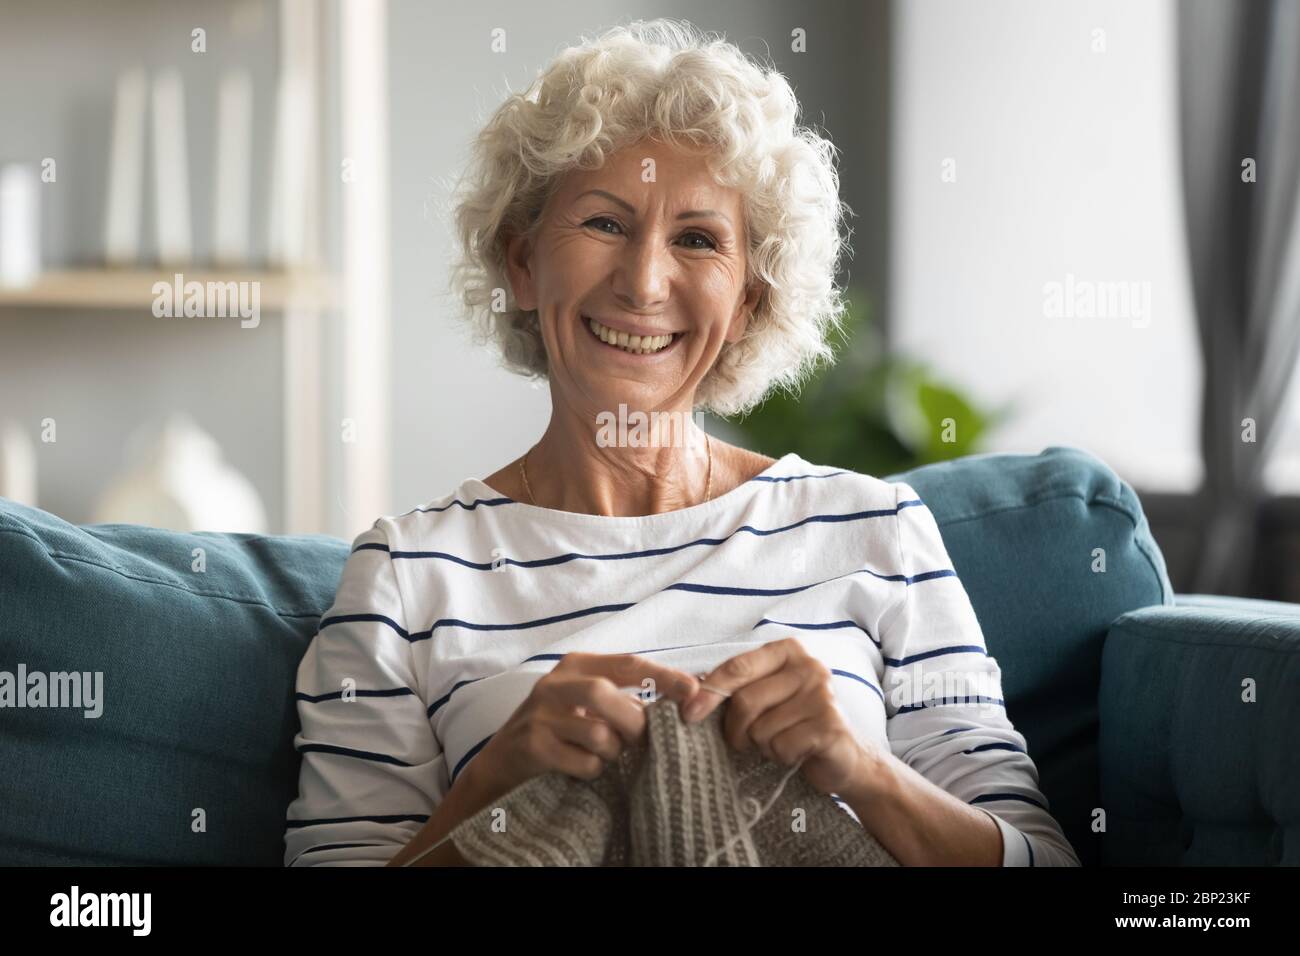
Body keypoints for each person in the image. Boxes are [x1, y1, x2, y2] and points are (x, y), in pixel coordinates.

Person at [283, 18, 1080, 867]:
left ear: (745, 303)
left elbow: (1041, 862)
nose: (644, 282)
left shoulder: (875, 529)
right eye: (603, 224)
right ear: (522, 265)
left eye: (697, 240)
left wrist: (865, 770)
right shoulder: (405, 576)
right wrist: (495, 784)